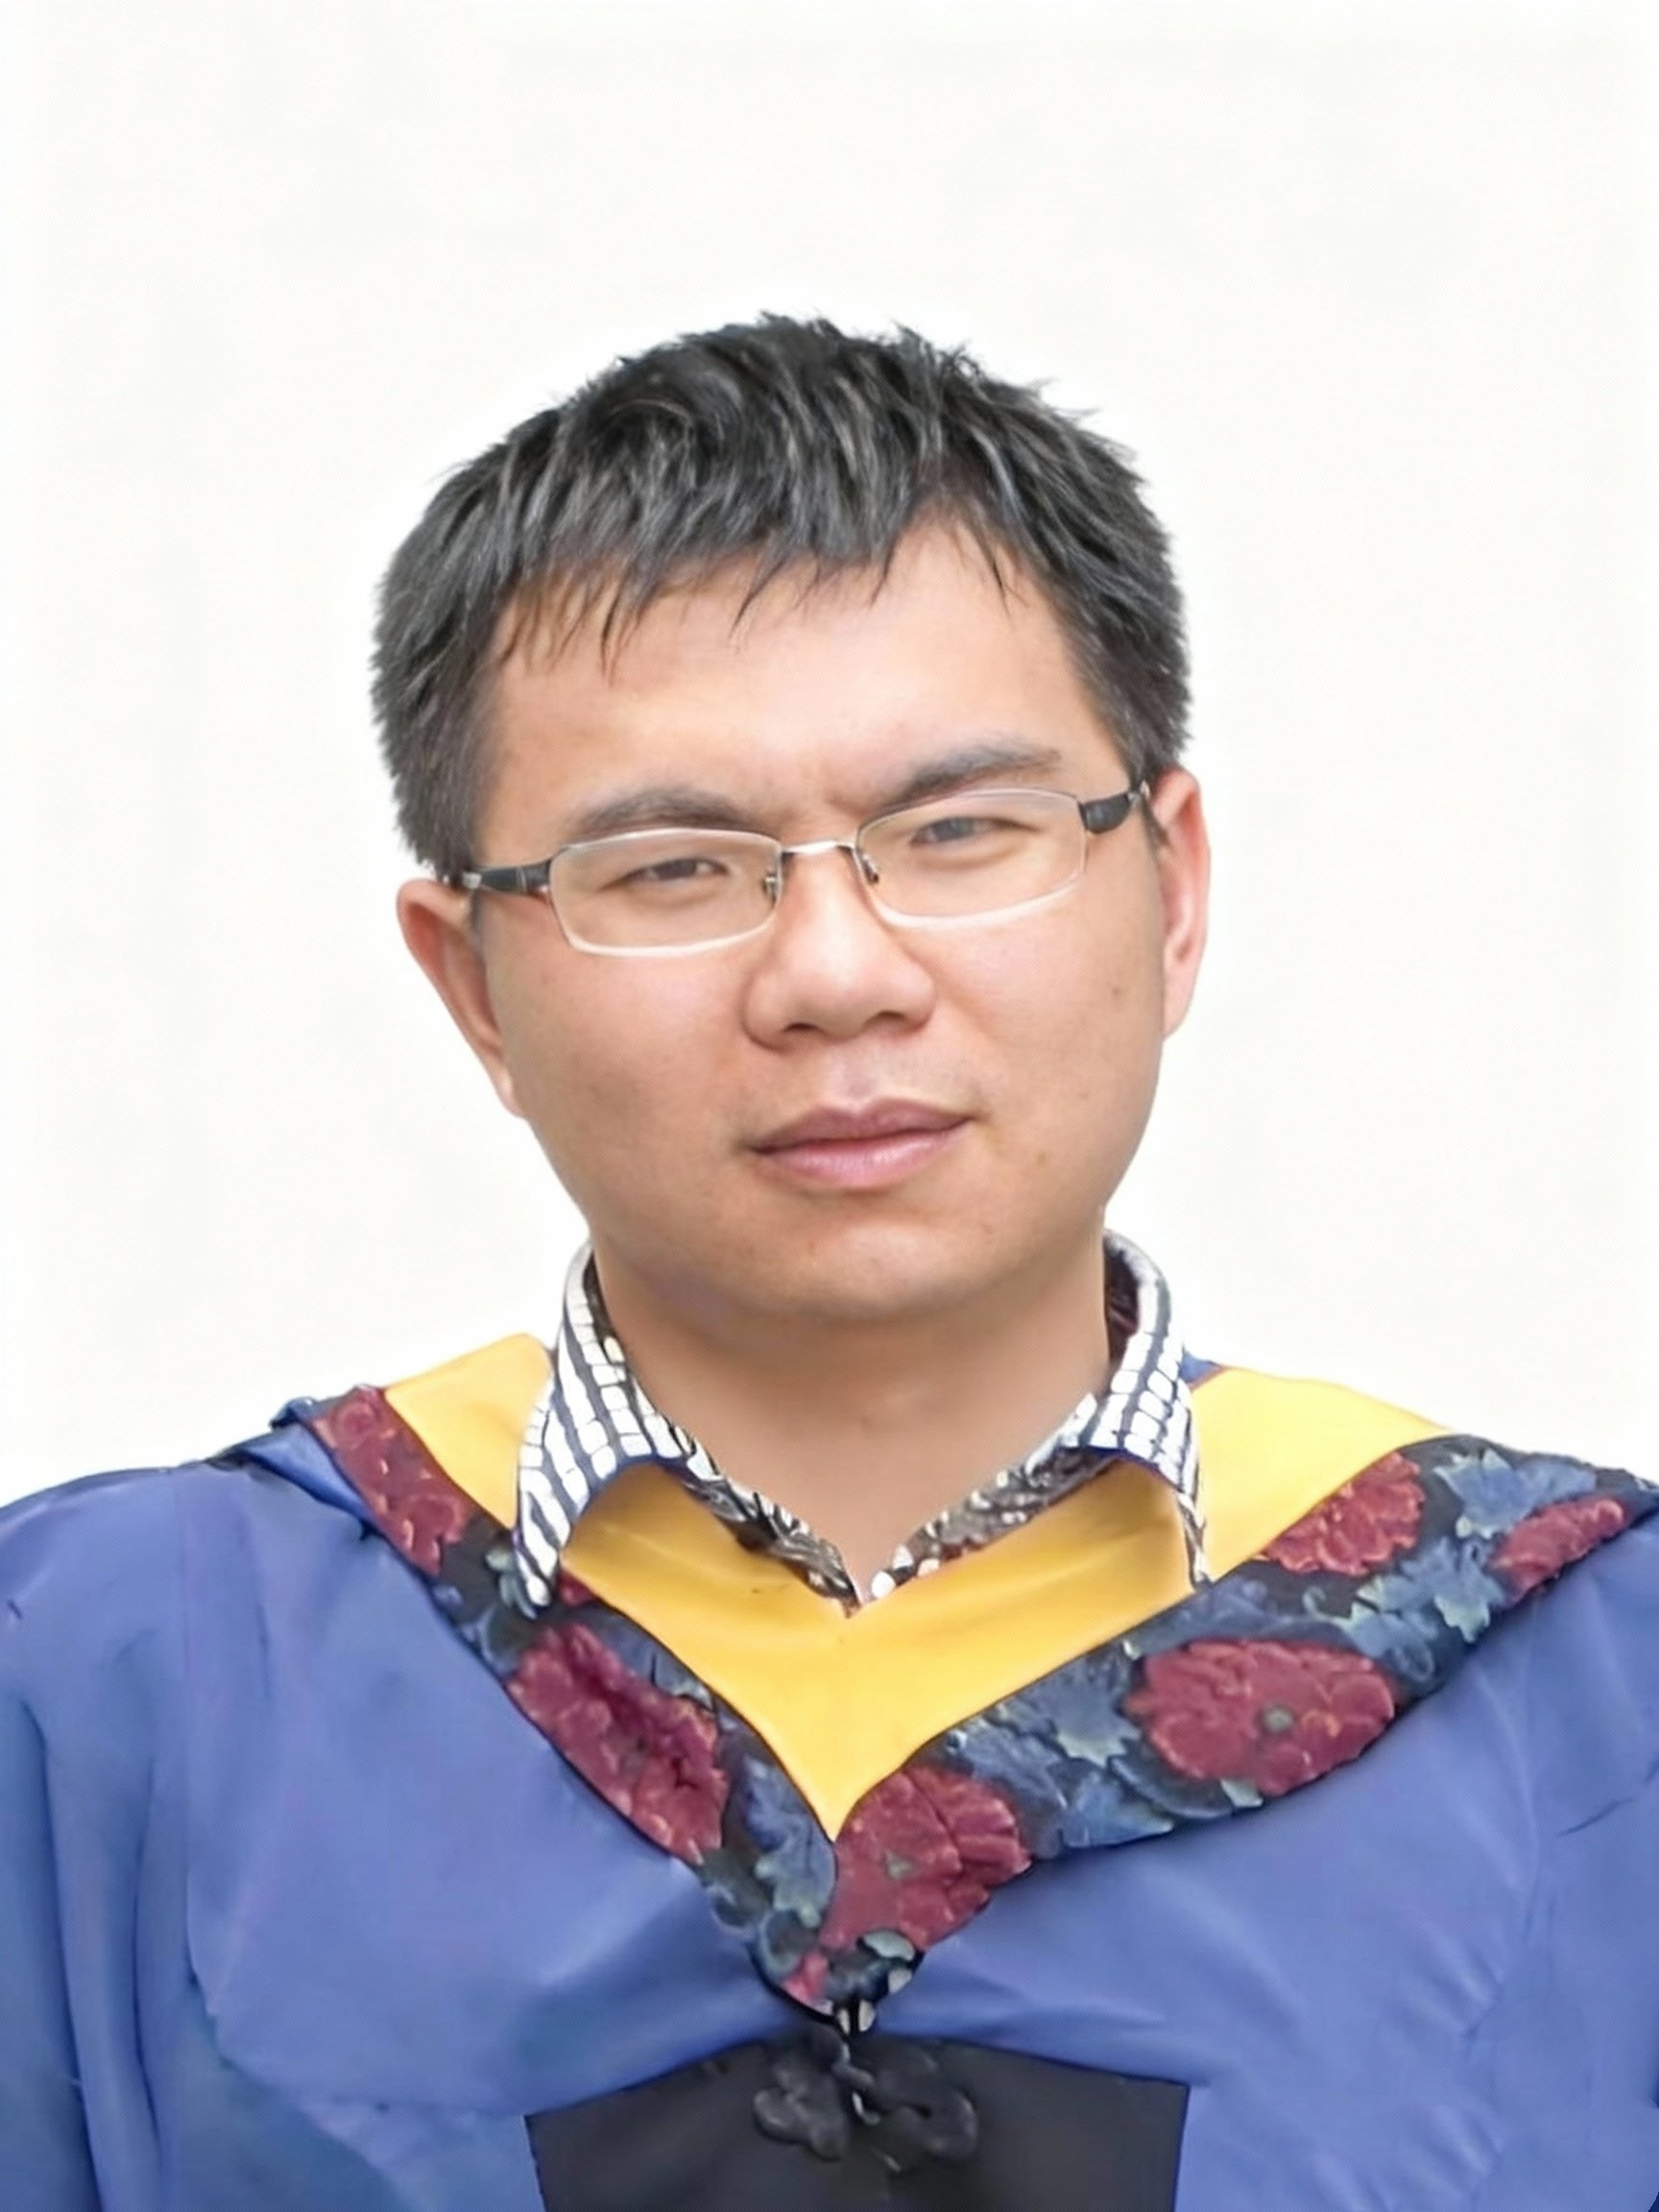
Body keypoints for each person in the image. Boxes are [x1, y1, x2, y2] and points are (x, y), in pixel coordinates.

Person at [1, 318, 1653, 2212]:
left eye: (960, 832)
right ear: (474, 988)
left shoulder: (1603, 1689)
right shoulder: (111, 1689)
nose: (838, 973)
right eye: (672, 869)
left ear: (1174, 890)